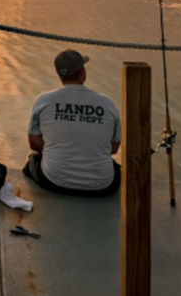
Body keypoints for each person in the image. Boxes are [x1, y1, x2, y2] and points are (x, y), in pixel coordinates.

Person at [24, 48, 121, 196]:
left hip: (53, 181)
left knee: (33, 160)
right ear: (83, 72)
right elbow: (113, 148)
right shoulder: (107, 104)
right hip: (102, 185)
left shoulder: (43, 101)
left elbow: (35, 144)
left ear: (59, 75)